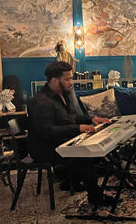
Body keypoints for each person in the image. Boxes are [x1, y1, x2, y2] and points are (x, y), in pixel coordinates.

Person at [27, 61, 112, 206]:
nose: (71, 82)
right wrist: (78, 128)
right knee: (84, 155)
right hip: (45, 148)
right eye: (67, 79)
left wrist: (92, 118)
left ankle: (70, 180)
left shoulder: (64, 95)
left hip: (60, 140)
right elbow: (48, 132)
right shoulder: (40, 101)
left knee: (95, 152)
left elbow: (72, 118)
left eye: (71, 78)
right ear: (54, 80)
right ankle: (94, 197)